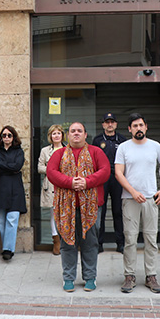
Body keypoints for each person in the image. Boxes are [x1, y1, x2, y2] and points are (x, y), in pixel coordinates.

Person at [46, 122, 110, 292]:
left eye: (79, 131)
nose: (76, 133)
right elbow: (51, 172)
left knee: (90, 242)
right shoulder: (58, 154)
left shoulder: (96, 152)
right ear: (68, 135)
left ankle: (90, 278)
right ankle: (68, 278)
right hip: (66, 206)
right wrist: (70, 182)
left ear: (85, 134)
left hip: (91, 206)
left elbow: (105, 170)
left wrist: (87, 182)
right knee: (67, 243)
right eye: (73, 131)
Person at [114, 113, 160, 294]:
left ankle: (151, 276)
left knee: (151, 239)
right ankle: (129, 276)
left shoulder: (155, 146)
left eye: (141, 125)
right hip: (130, 199)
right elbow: (118, 172)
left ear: (146, 127)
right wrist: (132, 191)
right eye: (134, 126)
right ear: (129, 129)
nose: (138, 128)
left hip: (150, 199)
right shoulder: (123, 147)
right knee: (130, 239)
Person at [92, 112, 128, 253]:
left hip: (118, 178)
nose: (110, 124)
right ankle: (99, 243)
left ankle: (120, 243)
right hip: (102, 180)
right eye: (107, 122)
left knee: (118, 211)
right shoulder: (97, 140)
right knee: (100, 212)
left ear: (116, 124)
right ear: (103, 124)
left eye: (112, 122)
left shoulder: (123, 140)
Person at [0, 125, 26, 260]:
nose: (6, 138)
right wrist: (8, 167)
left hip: (15, 189)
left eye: (9, 135)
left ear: (13, 137)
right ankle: (7, 246)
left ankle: (8, 249)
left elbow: (17, 166)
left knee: (12, 219)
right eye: (4, 135)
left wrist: (2, 165)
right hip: (0, 189)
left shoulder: (19, 151)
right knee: (1, 219)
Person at [38, 124, 66, 255]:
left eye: (58, 133)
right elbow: (39, 167)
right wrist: (52, 171)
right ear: (50, 136)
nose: (56, 136)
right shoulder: (45, 151)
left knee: (66, 212)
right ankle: (56, 241)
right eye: (53, 134)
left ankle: (66, 239)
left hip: (65, 183)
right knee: (54, 213)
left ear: (62, 135)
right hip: (50, 184)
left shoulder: (68, 149)